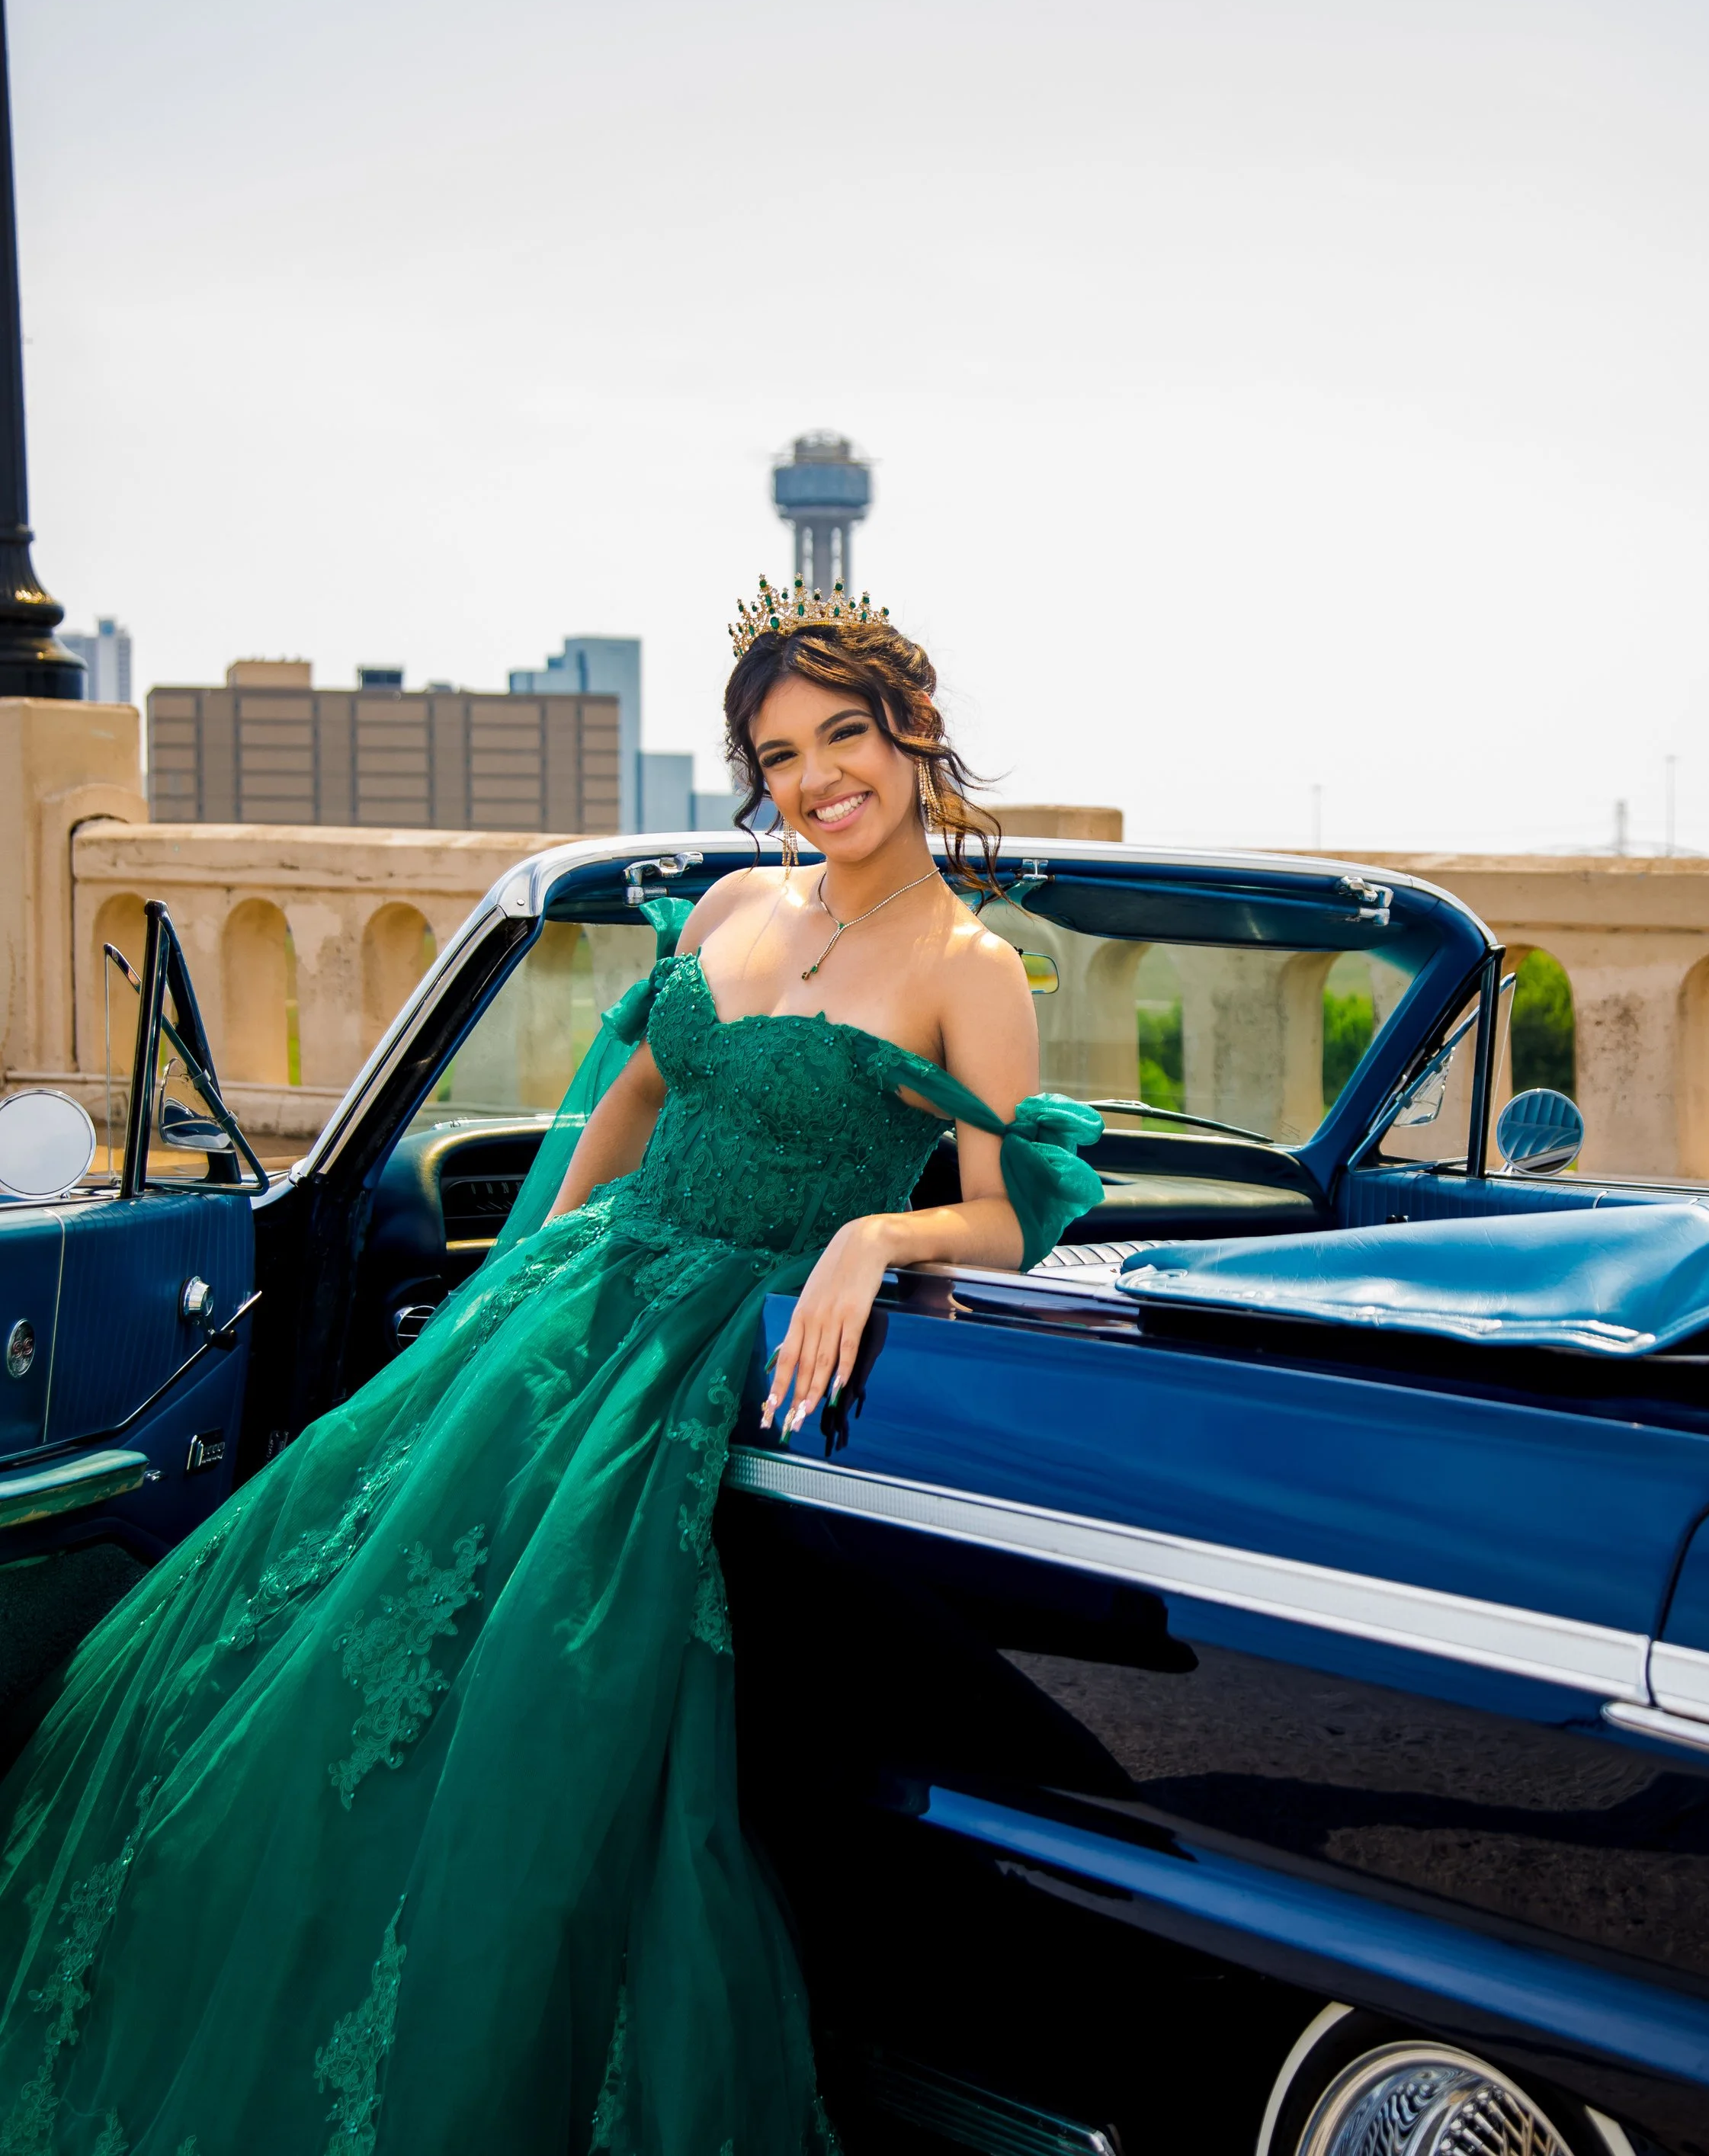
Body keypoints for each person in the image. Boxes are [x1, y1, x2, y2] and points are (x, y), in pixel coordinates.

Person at [0, 585, 1104, 2156]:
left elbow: (1008, 1212)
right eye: (778, 755)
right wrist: (522, 1272)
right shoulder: (733, 907)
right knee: (308, 1654)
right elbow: (633, 1098)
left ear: (912, 733)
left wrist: (872, 1235)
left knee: (546, 1702)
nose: (814, 780)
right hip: (570, 1308)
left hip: (698, 1353)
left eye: (842, 737)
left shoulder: (970, 967)